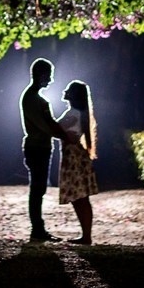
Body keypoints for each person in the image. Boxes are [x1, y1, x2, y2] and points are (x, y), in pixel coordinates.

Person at [19, 57, 70, 242]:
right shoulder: (34, 99)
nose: (50, 80)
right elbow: (46, 125)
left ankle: (38, 229)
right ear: (40, 75)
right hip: (37, 147)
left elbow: (49, 125)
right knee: (38, 188)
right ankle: (37, 230)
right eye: (48, 75)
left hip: (40, 147)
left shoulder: (33, 97)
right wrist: (67, 136)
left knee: (38, 188)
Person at [56, 80, 99, 245]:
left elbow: (57, 129)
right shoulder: (77, 113)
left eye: (68, 90)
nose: (64, 91)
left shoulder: (73, 113)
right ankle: (86, 234)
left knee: (79, 197)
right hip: (77, 155)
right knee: (81, 197)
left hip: (72, 156)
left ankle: (86, 235)